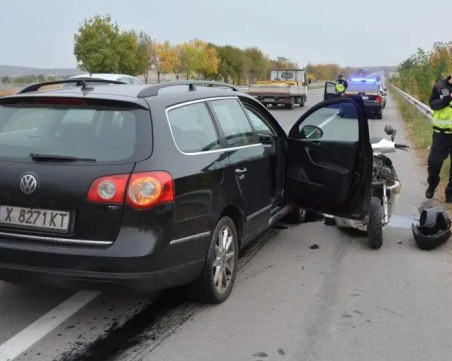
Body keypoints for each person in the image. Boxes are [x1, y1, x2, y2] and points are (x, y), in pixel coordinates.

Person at [425, 73, 452, 201]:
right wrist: (446, 100)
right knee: (434, 163)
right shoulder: (440, 86)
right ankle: (432, 184)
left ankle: (450, 194)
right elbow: (433, 104)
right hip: (441, 134)